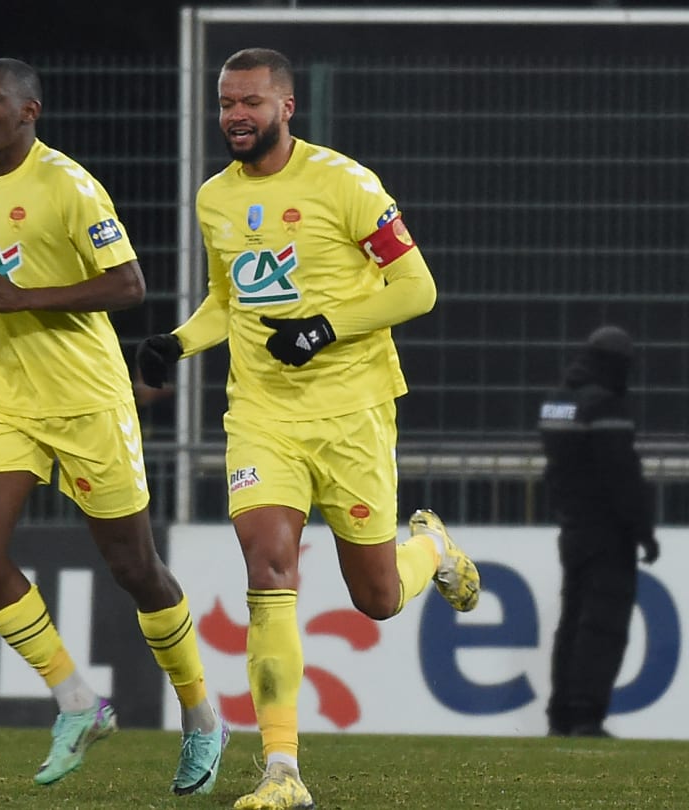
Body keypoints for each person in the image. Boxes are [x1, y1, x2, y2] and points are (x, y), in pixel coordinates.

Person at [135, 47, 480, 810]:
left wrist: (326, 327)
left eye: (251, 102)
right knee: (268, 566)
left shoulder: (344, 183)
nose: (235, 116)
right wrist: (180, 342)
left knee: (379, 598)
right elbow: (231, 300)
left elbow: (416, 288)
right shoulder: (213, 199)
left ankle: (433, 549)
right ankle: (282, 772)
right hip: (261, 416)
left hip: (353, 412)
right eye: (226, 103)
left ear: (286, 107)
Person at [0, 57, 228, 795]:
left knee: (135, 568)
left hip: (87, 400)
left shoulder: (67, 183)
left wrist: (23, 300)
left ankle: (202, 715)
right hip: (7, 396)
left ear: (29, 111)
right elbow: (1, 282)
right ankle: (78, 701)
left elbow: (129, 285)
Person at [538, 325, 659, 738]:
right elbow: (622, 476)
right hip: (608, 532)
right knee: (603, 624)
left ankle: (561, 714)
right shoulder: (605, 406)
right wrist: (643, 530)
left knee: (572, 621)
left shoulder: (557, 403)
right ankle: (586, 715)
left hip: (571, 528)